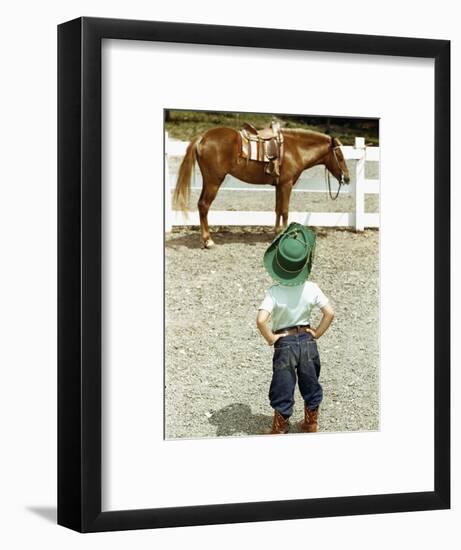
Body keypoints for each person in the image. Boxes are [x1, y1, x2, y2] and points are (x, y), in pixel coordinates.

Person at [256, 222, 335, 434]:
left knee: (283, 383)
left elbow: (261, 320)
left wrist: (271, 338)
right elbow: (330, 313)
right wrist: (317, 332)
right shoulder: (312, 288)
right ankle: (311, 423)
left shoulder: (274, 292)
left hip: (285, 343)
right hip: (308, 341)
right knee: (310, 382)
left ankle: (280, 428)